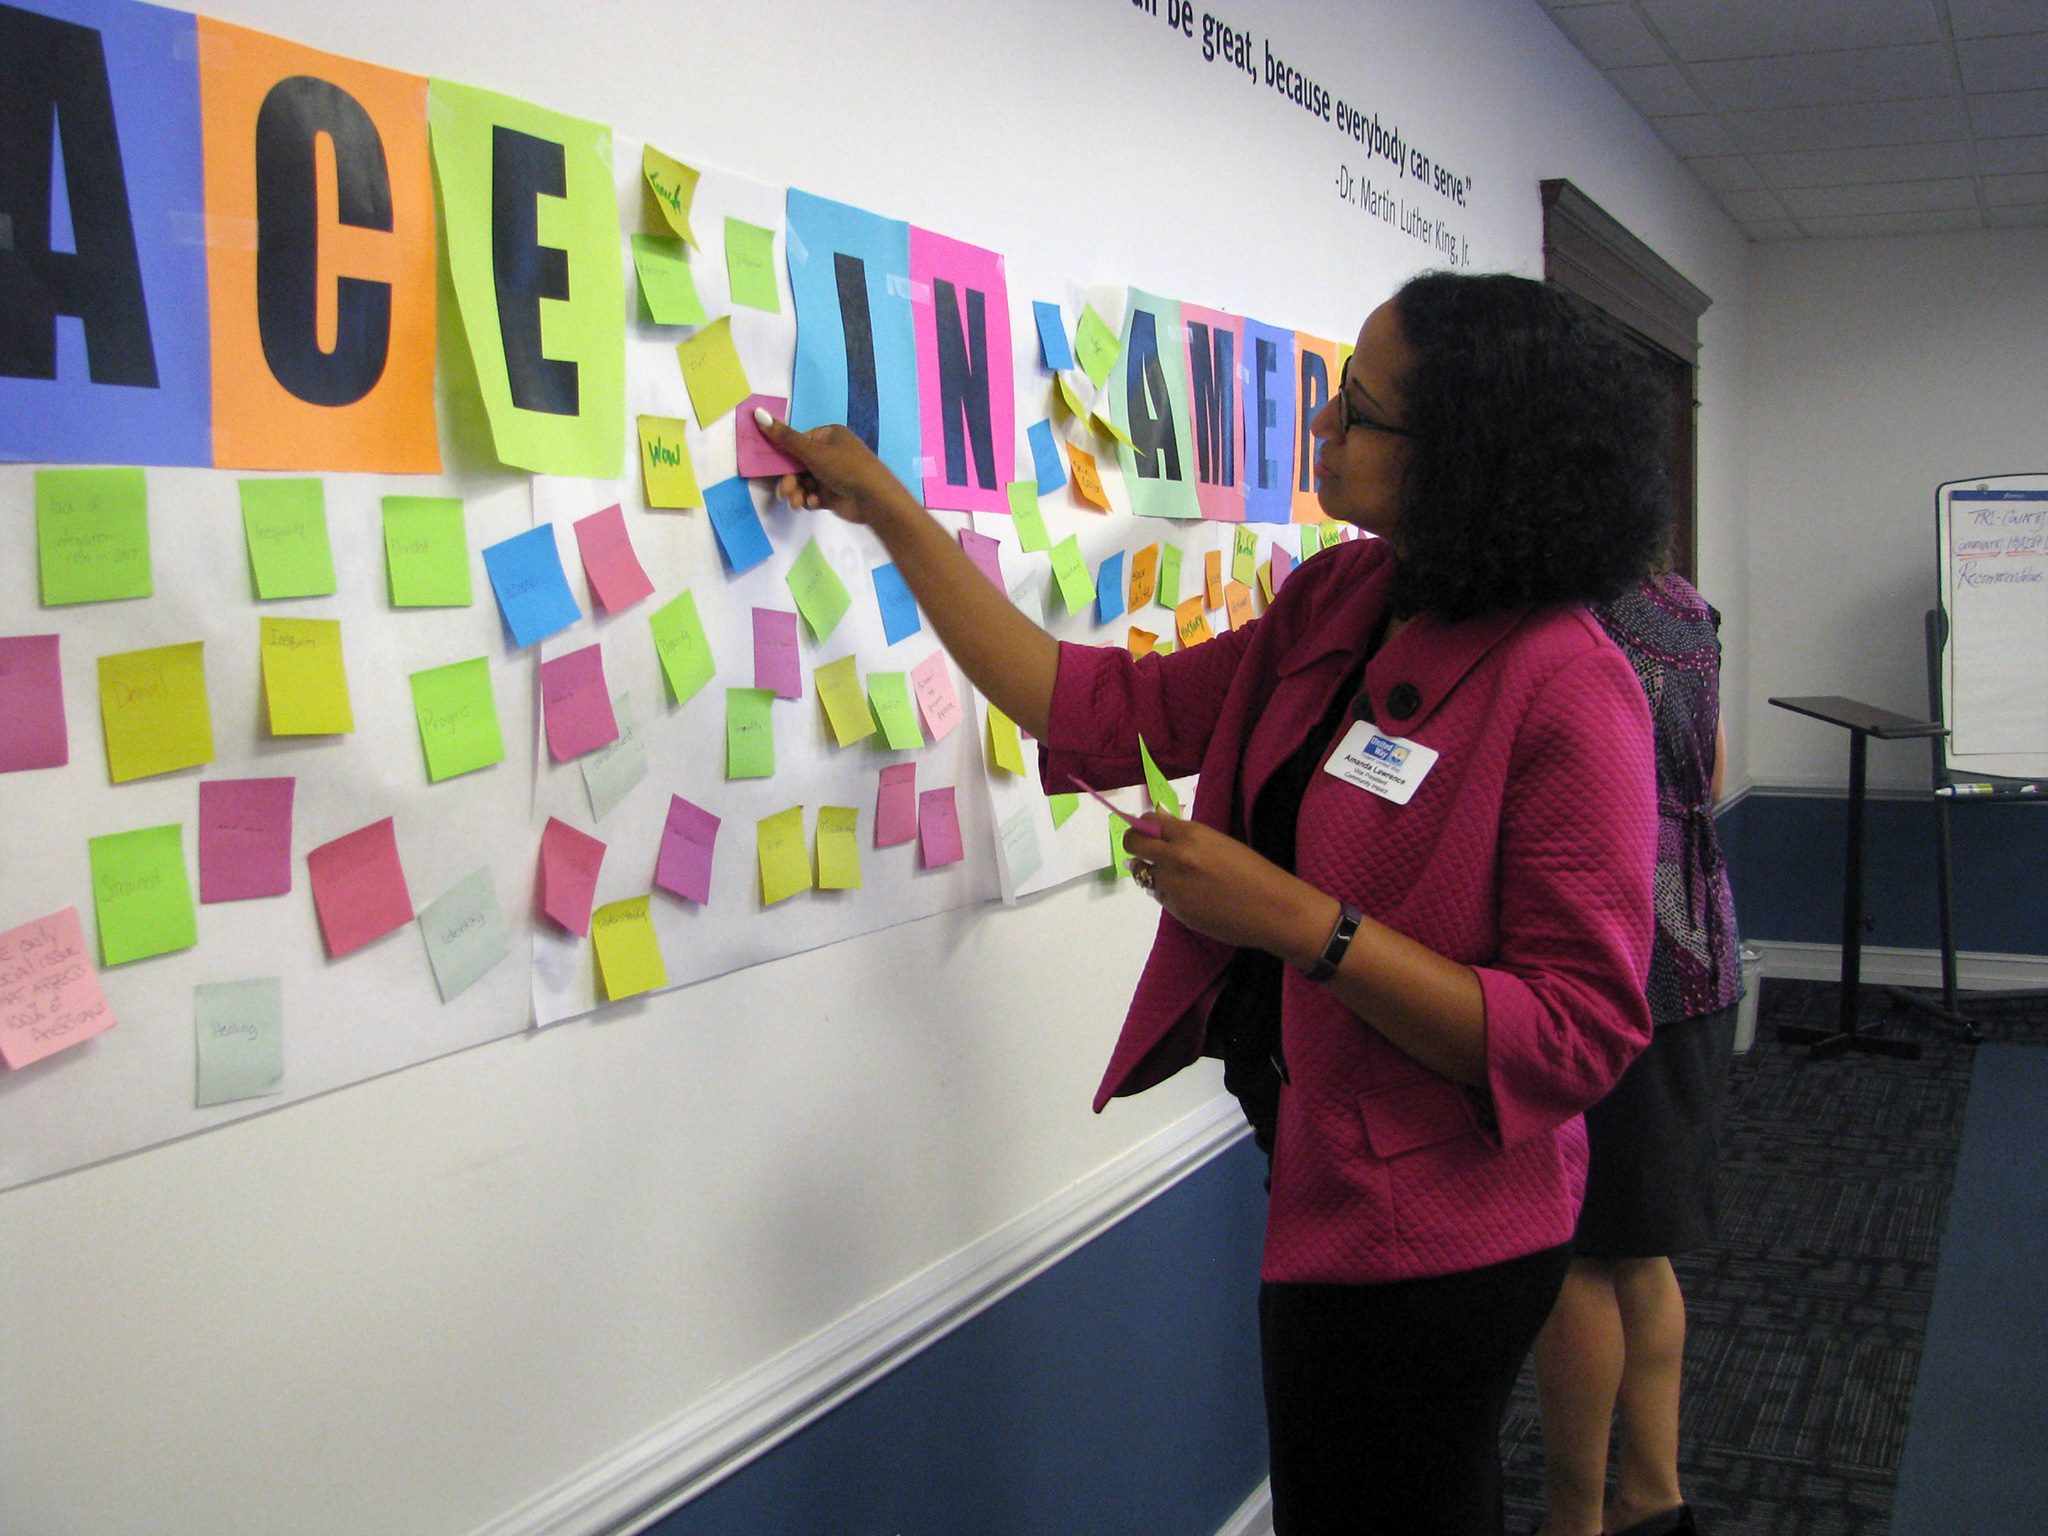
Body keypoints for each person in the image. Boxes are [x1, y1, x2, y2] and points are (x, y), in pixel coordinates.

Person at [756, 269, 1666, 1536]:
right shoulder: (1337, 599)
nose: (1321, 430)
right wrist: (887, 510)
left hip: (1440, 1232)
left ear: (1466, 455)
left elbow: (1574, 1035)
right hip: (1316, 1168)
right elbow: (1091, 707)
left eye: (1357, 409)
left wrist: (1298, 921)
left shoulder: (1567, 685)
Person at [1531, 570, 1741, 1536]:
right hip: (1697, 949)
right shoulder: (1684, 606)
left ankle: (1573, 1519)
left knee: (1579, 1261)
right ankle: (1654, 1499)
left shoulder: (1560, 618)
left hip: (1613, 959)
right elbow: (1717, 773)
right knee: (1644, 1255)